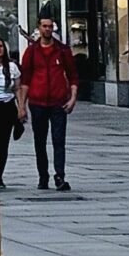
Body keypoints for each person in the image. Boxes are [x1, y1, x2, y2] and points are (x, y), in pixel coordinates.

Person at [19, 16, 76, 191]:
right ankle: (43, 176)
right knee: (40, 141)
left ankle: (60, 175)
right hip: (37, 102)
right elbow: (25, 80)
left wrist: (72, 98)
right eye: (44, 26)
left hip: (58, 102)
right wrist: (22, 105)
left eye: (50, 26)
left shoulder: (62, 50)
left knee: (59, 141)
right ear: (39, 28)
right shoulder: (31, 52)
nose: (47, 29)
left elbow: (73, 76)